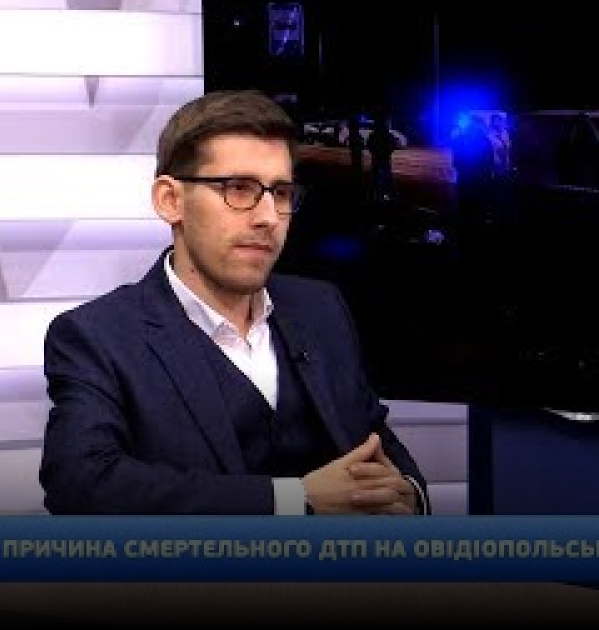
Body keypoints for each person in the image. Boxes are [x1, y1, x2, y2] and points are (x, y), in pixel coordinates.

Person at [39, 89, 429, 515]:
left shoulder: (320, 307)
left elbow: (372, 433)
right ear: (170, 200)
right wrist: (294, 500)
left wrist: (409, 494)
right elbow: (81, 484)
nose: (268, 217)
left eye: (281, 193)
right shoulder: (98, 337)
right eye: (238, 189)